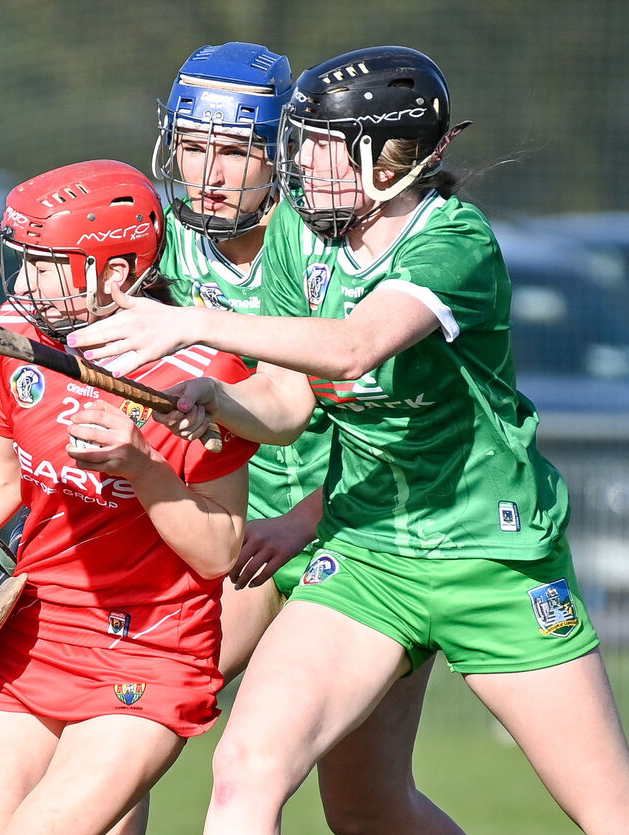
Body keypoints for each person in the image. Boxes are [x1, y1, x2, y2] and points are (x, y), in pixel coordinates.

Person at [68, 47, 629, 834]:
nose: (299, 163)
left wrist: (190, 324)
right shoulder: (301, 242)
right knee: (252, 774)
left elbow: (354, 348)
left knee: (626, 821)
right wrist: (218, 399)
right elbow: (288, 401)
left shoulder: (453, 243)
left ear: (385, 160)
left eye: (321, 145)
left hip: (490, 557)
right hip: (367, 554)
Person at [0, 159, 259, 835]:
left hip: (149, 647)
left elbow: (219, 551)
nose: (24, 282)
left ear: (116, 272)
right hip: (35, 631)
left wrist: (143, 467)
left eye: (45, 266)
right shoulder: (18, 334)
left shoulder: (203, 370)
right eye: (25, 261)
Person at [132, 41, 457, 835]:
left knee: (368, 809)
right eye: (192, 146)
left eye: (233, 152)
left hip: (357, 530)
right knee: (127, 712)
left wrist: (305, 519)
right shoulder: (162, 244)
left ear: (281, 154)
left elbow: (395, 424)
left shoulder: (336, 244)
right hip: (238, 539)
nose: (208, 174)